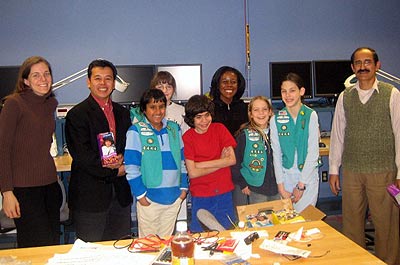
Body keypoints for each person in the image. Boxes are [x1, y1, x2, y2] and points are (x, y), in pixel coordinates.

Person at [329, 47, 400, 264]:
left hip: (384, 171)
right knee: (351, 224)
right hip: (352, 171)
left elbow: (399, 133)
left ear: (377, 65)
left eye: (367, 62)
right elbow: (337, 134)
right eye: (358, 63)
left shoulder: (392, 94)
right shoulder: (345, 97)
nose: (363, 67)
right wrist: (333, 170)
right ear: (352, 68)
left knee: (386, 224)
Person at [65, 59, 132, 242]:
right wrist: (115, 172)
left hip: (120, 197)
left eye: (108, 78)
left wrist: (125, 160)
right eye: (97, 78)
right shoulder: (77, 115)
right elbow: (83, 157)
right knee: (92, 253)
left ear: (114, 83)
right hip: (90, 199)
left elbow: (129, 146)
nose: (103, 83)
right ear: (88, 82)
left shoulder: (123, 113)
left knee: (120, 251)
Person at [0, 56, 62, 247]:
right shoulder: (14, 104)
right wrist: (7, 193)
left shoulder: (50, 104)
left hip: (50, 185)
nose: (43, 79)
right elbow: (3, 149)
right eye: (36, 75)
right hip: (24, 190)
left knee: (52, 243)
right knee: (35, 247)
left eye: (46, 74)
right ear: (25, 80)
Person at [124, 89, 188, 237]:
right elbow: (132, 167)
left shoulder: (174, 129)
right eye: (152, 107)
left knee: (166, 244)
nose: (158, 111)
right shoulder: (136, 131)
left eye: (161, 106)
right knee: (149, 246)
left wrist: (183, 189)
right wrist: (141, 195)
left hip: (173, 198)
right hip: (150, 199)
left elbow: (182, 160)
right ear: (144, 110)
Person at [183, 95, 237, 232]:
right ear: (191, 119)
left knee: (227, 234)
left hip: (224, 192)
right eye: (198, 117)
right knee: (201, 237)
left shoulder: (220, 129)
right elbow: (193, 173)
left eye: (207, 115)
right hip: (201, 195)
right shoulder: (187, 137)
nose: (204, 121)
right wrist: (221, 161)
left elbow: (231, 160)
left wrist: (200, 164)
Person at [270, 73, 320, 213]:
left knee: (305, 222)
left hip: (307, 178)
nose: (288, 95)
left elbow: (313, 153)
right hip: (286, 178)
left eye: (292, 90)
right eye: (284, 91)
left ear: (301, 91)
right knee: (287, 223)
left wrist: (301, 185)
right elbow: (276, 155)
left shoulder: (311, 115)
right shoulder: (276, 119)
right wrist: (281, 187)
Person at [231, 96, 279, 207]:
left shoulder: (277, 133)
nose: (261, 113)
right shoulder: (244, 135)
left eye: (264, 109)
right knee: (260, 220)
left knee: (278, 218)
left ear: (270, 112)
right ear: (251, 114)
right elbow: (235, 163)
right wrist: (242, 184)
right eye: (256, 110)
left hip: (277, 186)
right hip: (255, 188)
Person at [209, 66, 248, 136]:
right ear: (217, 85)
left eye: (233, 82)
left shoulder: (246, 108)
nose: (229, 85)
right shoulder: (209, 109)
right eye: (224, 82)